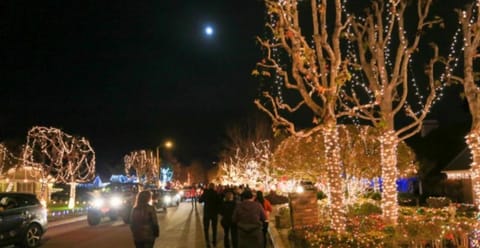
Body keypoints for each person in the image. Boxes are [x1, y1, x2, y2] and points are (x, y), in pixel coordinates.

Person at [199, 183, 221, 247]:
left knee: (206, 228)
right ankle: (214, 241)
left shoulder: (205, 193)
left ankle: (207, 241)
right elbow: (219, 202)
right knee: (214, 228)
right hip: (214, 213)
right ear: (214, 187)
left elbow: (200, 201)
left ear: (208, 187)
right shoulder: (216, 193)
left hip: (207, 213)